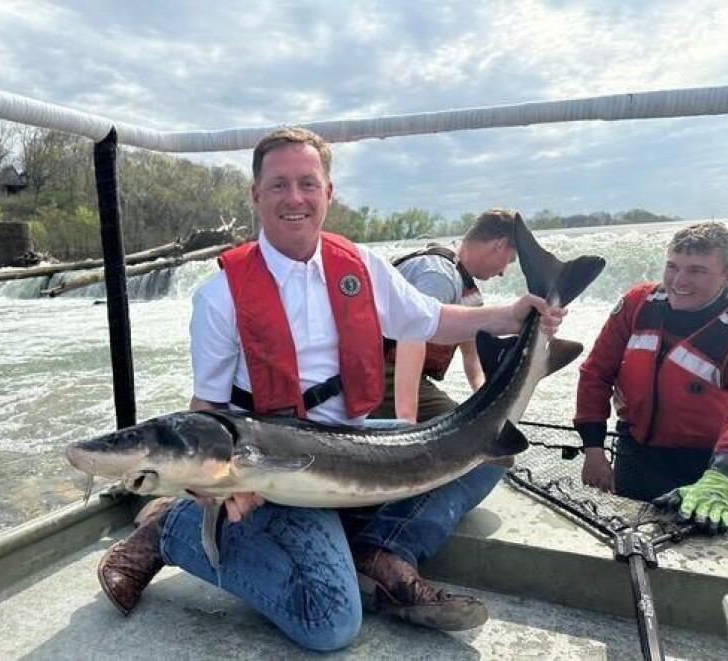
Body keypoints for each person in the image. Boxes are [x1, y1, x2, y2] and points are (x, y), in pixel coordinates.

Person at [97, 127, 565, 652]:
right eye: (278, 185)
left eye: (306, 184)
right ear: (256, 196)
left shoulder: (360, 265)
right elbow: (207, 408)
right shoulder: (219, 295)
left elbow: (430, 320)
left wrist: (514, 315)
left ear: (328, 192)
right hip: (274, 463)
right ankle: (172, 529)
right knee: (331, 624)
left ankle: (380, 550)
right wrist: (212, 484)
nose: (293, 198)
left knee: (484, 456)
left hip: (353, 438)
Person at [574, 222, 728, 533]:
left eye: (696, 271)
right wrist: (593, 450)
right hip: (634, 452)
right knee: (624, 542)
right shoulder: (638, 303)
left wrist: (725, 474)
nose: (679, 281)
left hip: (703, 467)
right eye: (672, 267)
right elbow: (596, 372)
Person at [371, 208, 518, 422]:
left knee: (479, 424)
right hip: (375, 369)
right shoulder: (440, 276)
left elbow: (471, 355)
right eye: (510, 260)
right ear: (500, 245)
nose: (504, 272)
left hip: (400, 373)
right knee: (467, 432)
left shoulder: (468, 291)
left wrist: (484, 397)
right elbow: (411, 339)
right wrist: (407, 421)